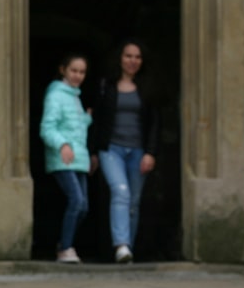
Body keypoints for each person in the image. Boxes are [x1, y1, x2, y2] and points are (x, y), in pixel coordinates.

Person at [92, 39, 160, 264]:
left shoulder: (148, 86)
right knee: (121, 192)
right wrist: (93, 151)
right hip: (111, 149)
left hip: (138, 150)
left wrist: (150, 152)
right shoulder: (106, 85)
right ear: (119, 59)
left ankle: (127, 249)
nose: (133, 61)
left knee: (134, 201)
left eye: (137, 57)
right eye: (128, 56)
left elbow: (154, 122)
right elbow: (97, 120)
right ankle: (121, 245)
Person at [40, 54, 94, 263]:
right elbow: (47, 127)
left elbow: (75, 127)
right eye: (74, 70)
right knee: (77, 201)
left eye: (82, 72)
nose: (78, 75)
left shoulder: (74, 96)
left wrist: (87, 119)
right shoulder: (55, 95)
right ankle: (65, 248)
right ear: (63, 70)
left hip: (79, 158)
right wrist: (62, 144)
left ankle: (64, 242)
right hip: (63, 158)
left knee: (84, 206)